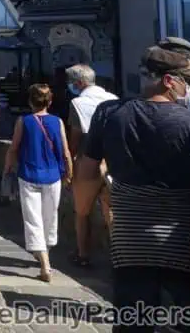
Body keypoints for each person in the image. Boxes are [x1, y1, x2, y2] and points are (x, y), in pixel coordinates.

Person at [75, 45, 190, 331]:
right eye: (186, 81)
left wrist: (83, 212)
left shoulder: (109, 114)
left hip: (129, 243)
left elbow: (87, 174)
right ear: (168, 80)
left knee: (132, 321)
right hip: (181, 244)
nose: (188, 88)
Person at [5, 84, 71, 282]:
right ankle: (45, 253)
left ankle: (44, 263)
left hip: (29, 175)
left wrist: (7, 169)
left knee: (33, 219)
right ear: (49, 102)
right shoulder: (57, 121)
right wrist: (69, 173)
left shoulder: (23, 121)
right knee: (50, 217)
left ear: (30, 101)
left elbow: (13, 148)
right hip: (53, 177)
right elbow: (66, 152)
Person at [65, 63, 117, 267]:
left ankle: (83, 254)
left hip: (88, 160)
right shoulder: (114, 99)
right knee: (110, 210)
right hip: (113, 160)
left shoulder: (78, 103)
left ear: (78, 83)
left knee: (82, 211)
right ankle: (117, 256)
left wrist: (69, 163)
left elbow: (75, 138)